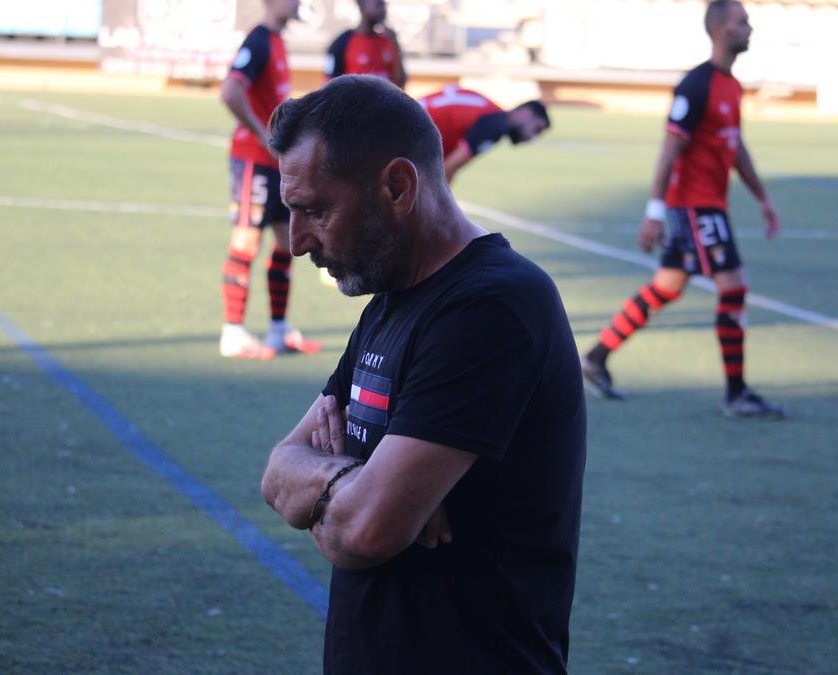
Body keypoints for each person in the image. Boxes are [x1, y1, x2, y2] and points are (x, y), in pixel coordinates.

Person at [260, 75, 586, 674]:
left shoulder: (493, 307)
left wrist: (338, 500)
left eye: (314, 210)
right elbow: (279, 469)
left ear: (397, 186)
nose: (297, 242)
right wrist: (350, 482)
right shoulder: (390, 303)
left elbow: (363, 532)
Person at [580, 0, 785, 418]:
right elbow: (670, 149)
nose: (750, 28)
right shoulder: (696, 85)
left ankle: (596, 357)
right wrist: (655, 211)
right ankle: (736, 394)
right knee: (733, 288)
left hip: (710, 205)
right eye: (741, 21)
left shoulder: (732, 85)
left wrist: (762, 197)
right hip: (694, 206)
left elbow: (736, 146)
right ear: (720, 30)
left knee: (667, 287)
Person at [218, 0, 321, 359]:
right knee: (246, 241)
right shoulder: (259, 40)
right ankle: (232, 333)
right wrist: (264, 136)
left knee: (284, 243)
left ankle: (278, 329)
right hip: (252, 160)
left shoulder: (276, 41)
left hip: (274, 163)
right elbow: (230, 91)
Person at [419, 85, 551, 184]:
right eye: (536, 129)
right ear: (525, 113)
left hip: (407, 118)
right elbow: (446, 170)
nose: (532, 138)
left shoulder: (488, 109)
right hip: (408, 132)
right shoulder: (495, 125)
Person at [325, 0, 407, 88]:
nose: (383, 9)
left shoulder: (389, 41)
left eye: (384, 4)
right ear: (362, 6)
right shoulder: (342, 43)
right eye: (378, 4)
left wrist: (396, 45)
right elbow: (330, 84)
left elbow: (400, 84)